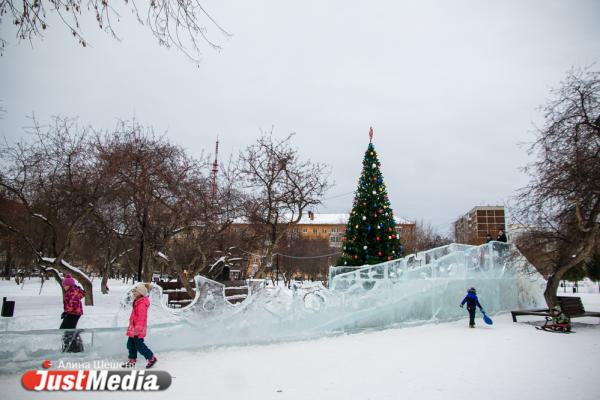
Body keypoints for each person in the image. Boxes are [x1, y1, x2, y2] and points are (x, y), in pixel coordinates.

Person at [123, 283, 157, 368]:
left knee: (139, 345)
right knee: (130, 344)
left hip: (137, 329)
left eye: (135, 291)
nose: (134, 293)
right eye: (134, 291)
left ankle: (151, 358)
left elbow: (141, 318)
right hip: (133, 328)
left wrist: (137, 329)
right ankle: (132, 360)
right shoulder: (137, 302)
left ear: (140, 293)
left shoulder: (141, 304)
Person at [60, 274, 86, 352]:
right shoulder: (73, 290)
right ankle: (74, 346)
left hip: (73, 313)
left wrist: (66, 312)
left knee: (65, 329)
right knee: (67, 329)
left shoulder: (72, 292)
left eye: (65, 285)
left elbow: (72, 303)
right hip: (74, 313)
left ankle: (73, 347)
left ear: (69, 285)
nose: (64, 287)